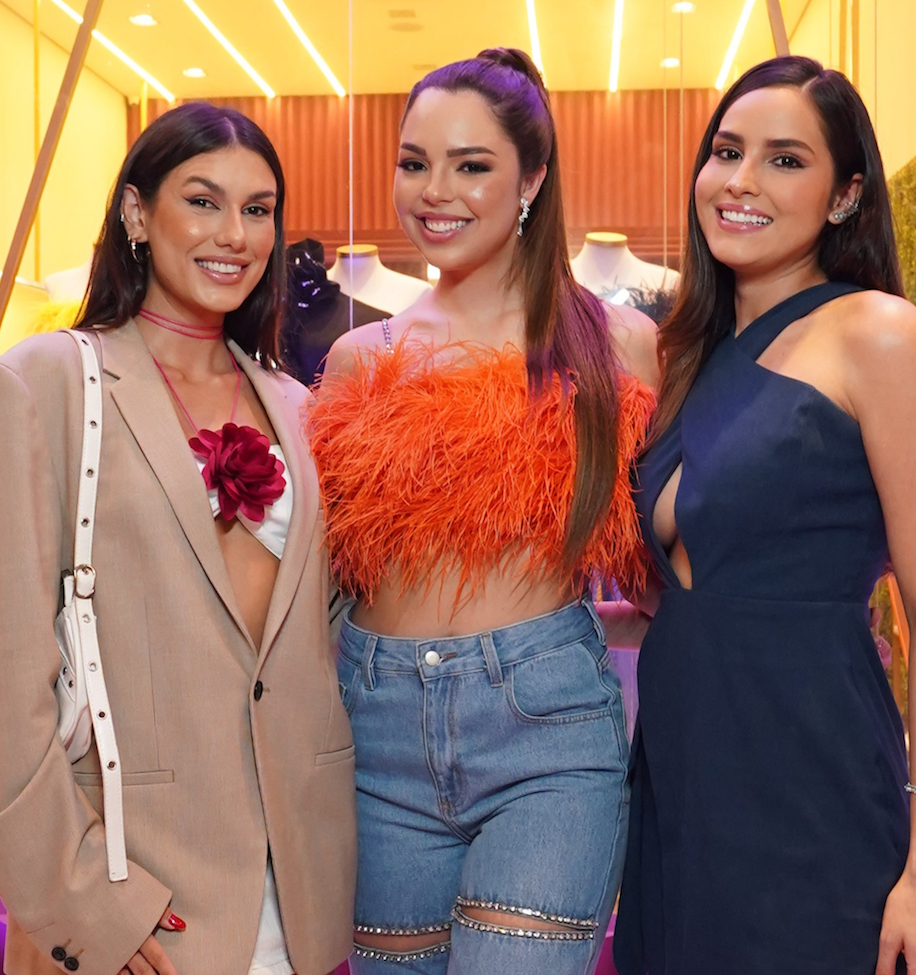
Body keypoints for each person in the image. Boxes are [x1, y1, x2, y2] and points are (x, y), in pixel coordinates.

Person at [0, 104, 355, 975]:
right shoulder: (41, 387)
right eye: (203, 201)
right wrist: (86, 904)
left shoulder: (299, 408)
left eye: (258, 209)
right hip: (136, 886)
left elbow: (323, 650)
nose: (234, 234)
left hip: (298, 900)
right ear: (136, 211)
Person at [612, 57, 916, 975]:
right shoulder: (687, 358)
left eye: (784, 160)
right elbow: (696, 586)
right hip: (682, 778)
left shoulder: (878, 335)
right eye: (727, 151)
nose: (741, 181)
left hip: (811, 773)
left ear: (846, 194)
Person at [309, 48, 659, 975]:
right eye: (414, 162)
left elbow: (672, 553)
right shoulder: (358, 362)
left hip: (546, 738)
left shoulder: (614, 346)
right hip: (373, 737)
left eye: (471, 165)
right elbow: (316, 582)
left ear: (532, 180)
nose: (436, 191)